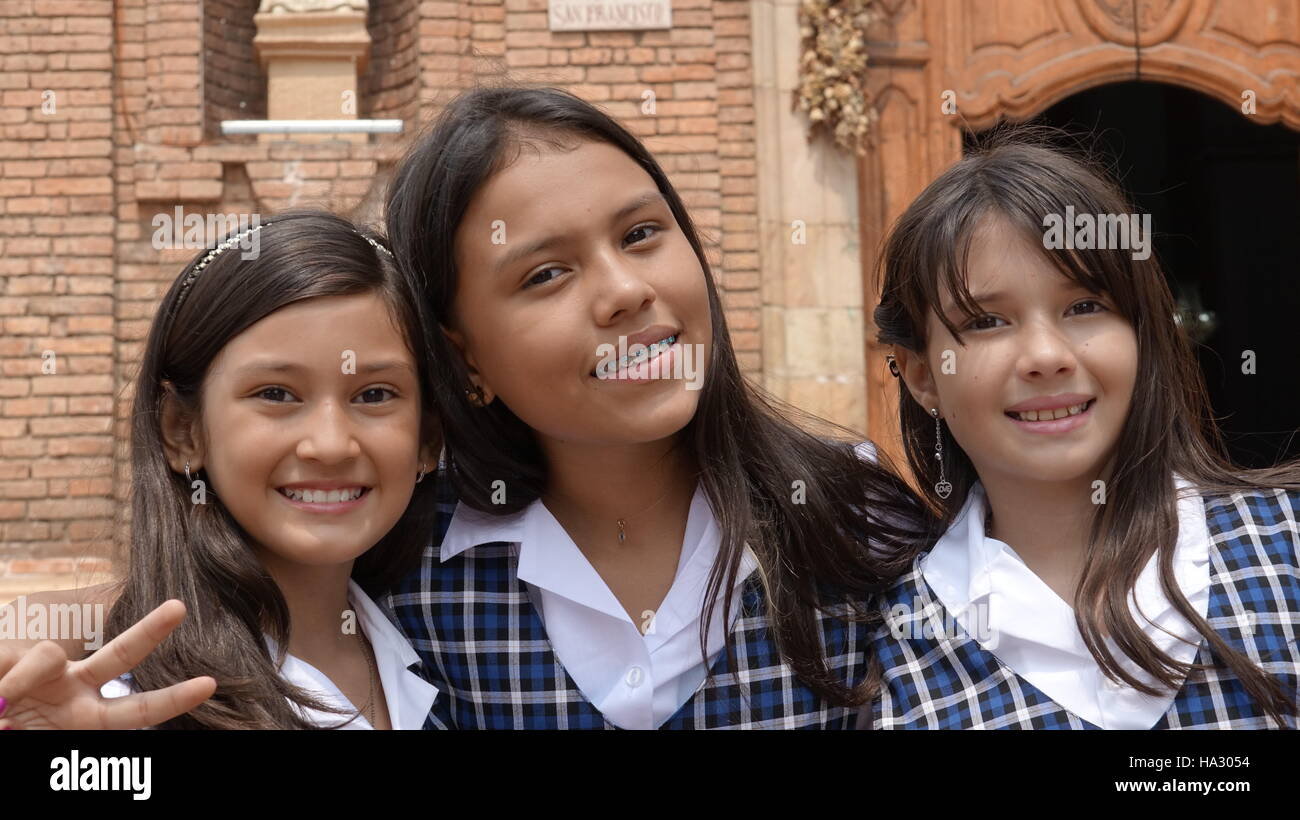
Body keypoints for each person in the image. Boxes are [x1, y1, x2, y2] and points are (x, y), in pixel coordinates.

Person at [381, 83, 930, 729]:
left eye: (641, 233)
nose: (624, 290)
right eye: (546, 274)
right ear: (464, 355)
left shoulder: (857, 522)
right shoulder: (399, 574)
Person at [862, 134, 1300, 729]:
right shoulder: (887, 657)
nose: (1046, 355)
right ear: (921, 375)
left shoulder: (1286, 547)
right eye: (988, 321)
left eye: (1085, 307)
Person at [0, 210, 441, 729]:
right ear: (184, 431)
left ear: (427, 439)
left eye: (374, 395)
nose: (330, 444)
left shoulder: (453, 646)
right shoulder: (113, 696)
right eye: (275, 394)